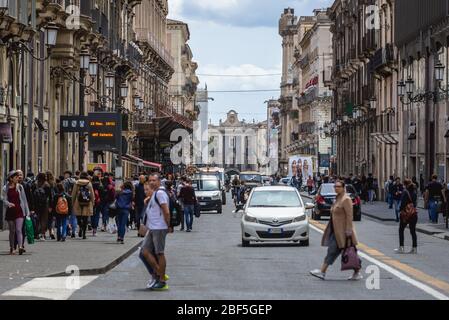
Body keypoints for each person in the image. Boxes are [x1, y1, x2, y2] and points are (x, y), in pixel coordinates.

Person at [310, 180, 361, 281]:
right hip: (336, 231)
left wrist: (348, 230)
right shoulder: (337, 199)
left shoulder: (346, 199)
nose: (336, 188)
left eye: (338, 187)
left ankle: (322, 271)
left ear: (343, 188)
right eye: (335, 186)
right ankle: (357, 272)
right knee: (348, 252)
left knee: (335, 251)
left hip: (344, 233)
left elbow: (349, 216)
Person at [141, 173, 172, 291]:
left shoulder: (160, 193)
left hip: (159, 227)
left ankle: (162, 280)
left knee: (160, 253)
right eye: (150, 180)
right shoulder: (156, 193)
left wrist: (168, 225)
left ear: (159, 181)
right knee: (144, 251)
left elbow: (166, 211)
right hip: (153, 228)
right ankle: (160, 273)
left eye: (154, 180)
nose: (152, 182)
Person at [2, 171, 30, 255]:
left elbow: (24, 200)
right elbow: (3, 199)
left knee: (18, 229)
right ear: (11, 178)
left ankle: (20, 247)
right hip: (10, 212)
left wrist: (27, 212)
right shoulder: (5, 188)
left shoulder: (20, 187)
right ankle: (12, 247)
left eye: (18, 177)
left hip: (19, 211)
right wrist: (8, 203)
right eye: (16, 177)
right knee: (12, 231)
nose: (18, 178)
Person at [395, 179, 418, 254]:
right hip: (413, 214)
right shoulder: (414, 192)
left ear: (405, 185)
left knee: (401, 229)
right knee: (413, 231)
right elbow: (415, 203)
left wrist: (400, 211)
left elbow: (403, 203)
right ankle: (414, 248)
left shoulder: (405, 192)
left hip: (406, 214)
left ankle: (401, 248)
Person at [71, 172, 95, 239]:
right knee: (85, 219)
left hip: (78, 202)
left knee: (78, 217)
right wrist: (93, 202)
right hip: (87, 202)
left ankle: (80, 226)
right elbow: (92, 194)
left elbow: (74, 193)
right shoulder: (89, 183)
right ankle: (84, 234)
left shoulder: (76, 183)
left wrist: (72, 202)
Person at [31, 173, 52, 240]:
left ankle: (36, 233)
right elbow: (50, 196)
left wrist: (32, 206)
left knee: (37, 219)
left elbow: (32, 195)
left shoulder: (34, 184)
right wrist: (50, 206)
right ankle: (43, 234)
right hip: (44, 204)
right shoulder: (47, 185)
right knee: (44, 219)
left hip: (36, 204)